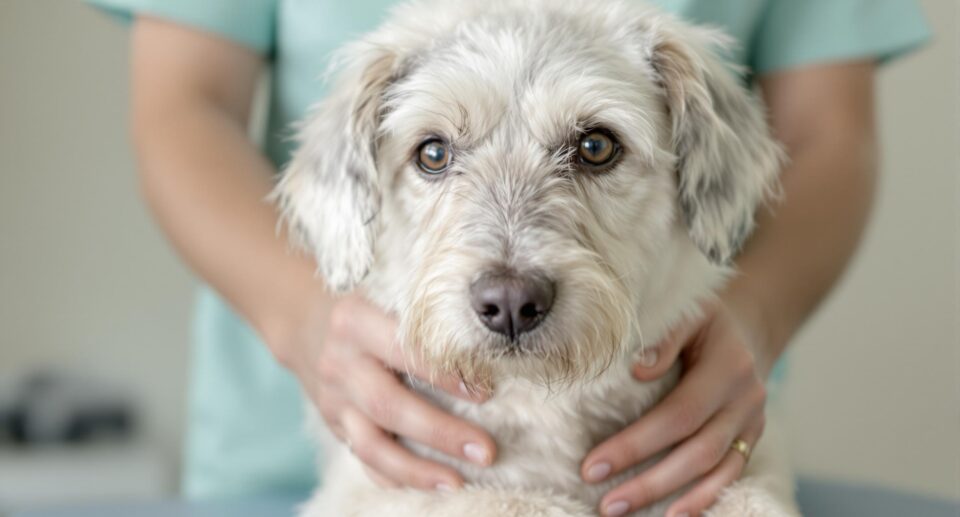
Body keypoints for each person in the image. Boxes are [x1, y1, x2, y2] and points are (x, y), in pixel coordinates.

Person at [89, 0, 929, 515]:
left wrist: (760, 310)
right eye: (434, 154)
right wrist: (307, 311)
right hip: (331, 428)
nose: (510, 276)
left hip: (687, 395)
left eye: (594, 148)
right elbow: (182, 105)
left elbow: (826, 135)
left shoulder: (698, 115)